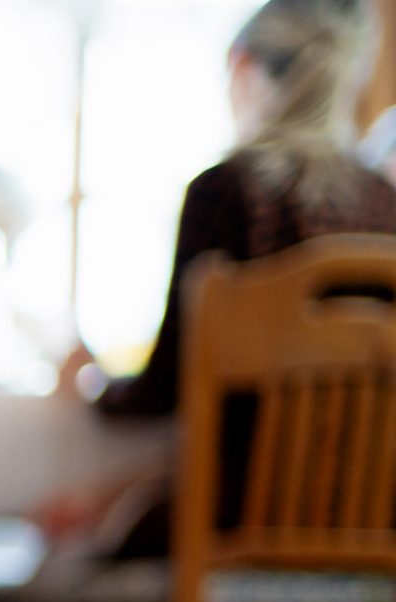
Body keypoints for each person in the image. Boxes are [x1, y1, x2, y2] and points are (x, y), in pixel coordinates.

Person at [44, 0, 396, 549]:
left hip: (241, 531)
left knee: (66, 568)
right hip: (370, 539)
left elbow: (169, 389)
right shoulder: (386, 205)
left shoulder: (228, 192)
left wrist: (91, 386)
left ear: (242, 69)